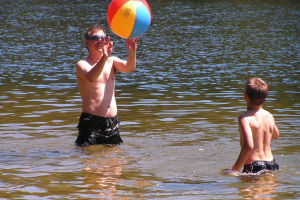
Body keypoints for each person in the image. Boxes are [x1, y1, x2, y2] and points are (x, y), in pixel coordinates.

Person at [75, 25, 138, 146]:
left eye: (102, 38)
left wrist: (132, 53)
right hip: (91, 123)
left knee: (115, 162)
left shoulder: (111, 61)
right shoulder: (82, 64)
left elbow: (129, 68)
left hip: (112, 123)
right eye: (95, 38)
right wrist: (104, 57)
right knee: (88, 160)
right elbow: (91, 77)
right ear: (87, 42)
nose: (99, 41)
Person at [226, 77, 280, 174]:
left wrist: (235, 169)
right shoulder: (269, 115)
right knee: (268, 189)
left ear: (245, 96)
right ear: (264, 98)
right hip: (272, 164)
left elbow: (249, 146)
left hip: (254, 166)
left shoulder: (244, 118)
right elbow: (276, 136)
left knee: (248, 189)